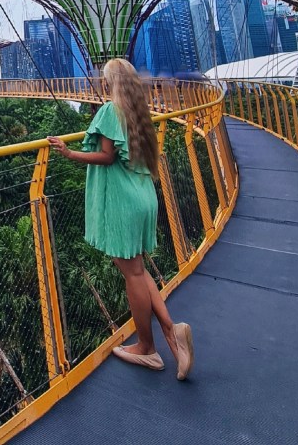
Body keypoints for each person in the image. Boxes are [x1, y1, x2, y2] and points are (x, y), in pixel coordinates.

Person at [47, 57, 194, 379]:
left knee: (133, 275)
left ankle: (146, 348)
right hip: (144, 196)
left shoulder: (109, 111)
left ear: (110, 82)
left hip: (123, 201)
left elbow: (106, 156)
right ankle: (172, 335)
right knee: (138, 270)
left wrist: (69, 153)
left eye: (103, 79)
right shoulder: (139, 113)